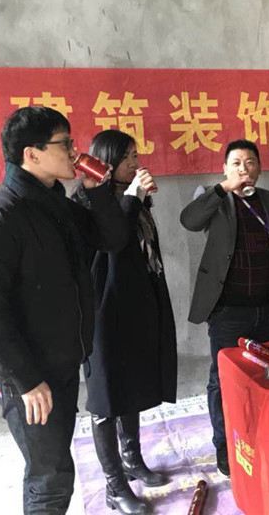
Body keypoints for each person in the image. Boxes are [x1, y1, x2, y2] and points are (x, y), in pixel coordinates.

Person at [0, 106, 128, 514]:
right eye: (64, 143)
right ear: (32, 154)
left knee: (49, 469)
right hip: (29, 377)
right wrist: (27, 380)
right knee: (51, 479)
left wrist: (98, 191)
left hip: (62, 363)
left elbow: (112, 239)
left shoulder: (60, 208)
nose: (74, 151)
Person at [72, 130, 177, 515]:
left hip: (133, 306)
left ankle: (132, 459)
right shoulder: (88, 202)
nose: (137, 162)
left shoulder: (133, 196)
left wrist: (137, 197)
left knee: (130, 386)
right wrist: (132, 198)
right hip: (101, 312)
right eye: (129, 157)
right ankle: (114, 485)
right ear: (108, 162)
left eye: (136, 155)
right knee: (105, 398)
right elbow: (114, 243)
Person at [180, 139, 269, 477]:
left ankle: (258, 437)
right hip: (228, 311)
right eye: (236, 163)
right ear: (225, 168)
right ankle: (223, 445)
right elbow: (189, 220)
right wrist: (224, 188)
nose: (244, 169)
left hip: (265, 308)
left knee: (264, 374)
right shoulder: (213, 197)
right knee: (222, 379)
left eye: (250, 162)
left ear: (259, 167)